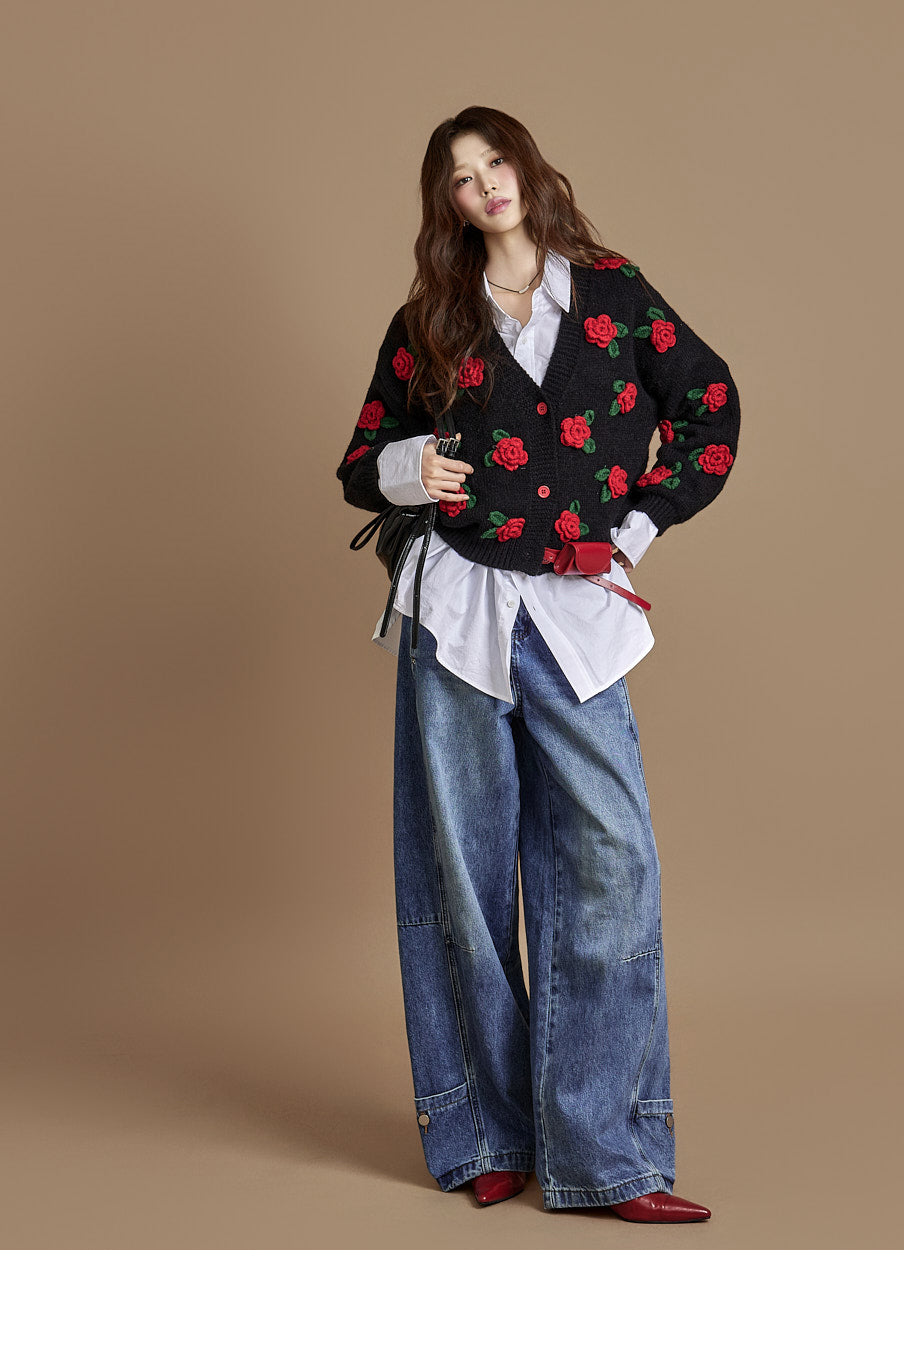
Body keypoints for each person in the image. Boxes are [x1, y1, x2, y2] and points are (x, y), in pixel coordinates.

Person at [337, 107, 741, 1222]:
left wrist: (636, 527)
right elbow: (362, 462)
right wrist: (415, 469)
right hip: (459, 615)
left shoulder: (613, 295)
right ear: (449, 204)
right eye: (461, 178)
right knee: (463, 877)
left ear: (526, 165)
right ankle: (486, 1133)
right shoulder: (431, 319)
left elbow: (709, 407)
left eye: (495, 161)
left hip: (574, 612)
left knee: (610, 866)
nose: (485, 186)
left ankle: (604, 1155)